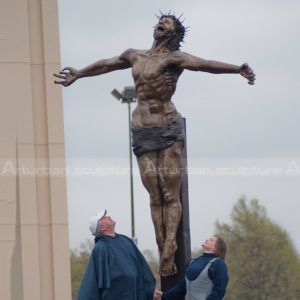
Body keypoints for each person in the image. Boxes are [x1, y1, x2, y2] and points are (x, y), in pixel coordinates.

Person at [54, 13, 255, 276]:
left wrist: (236, 69)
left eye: (167, 23)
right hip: (142, 129)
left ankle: (170, 245)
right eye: (160, 22)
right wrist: (79, 73)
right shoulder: (134, 55)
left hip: (167, 126)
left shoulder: (175, 58)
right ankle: (162, 247)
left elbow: (205, 64)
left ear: (173, 33)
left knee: (170, 194)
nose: (160, 24)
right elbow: (106, 64)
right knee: (155, 195)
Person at [76, 209, 155, 300]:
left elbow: (143, 268)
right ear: (102, 227)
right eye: (104, 217)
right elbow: (93, 283)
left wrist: (150, 289)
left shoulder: (126, 240)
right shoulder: (101, 248)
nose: (109, 216)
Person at [154, 236, 229, 300]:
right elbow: (182, 287)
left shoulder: (219, 264)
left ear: (216, 248)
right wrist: (163, 296)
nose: (207, 240)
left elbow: (219, 290)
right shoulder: (192, 262)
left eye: (211, 240)